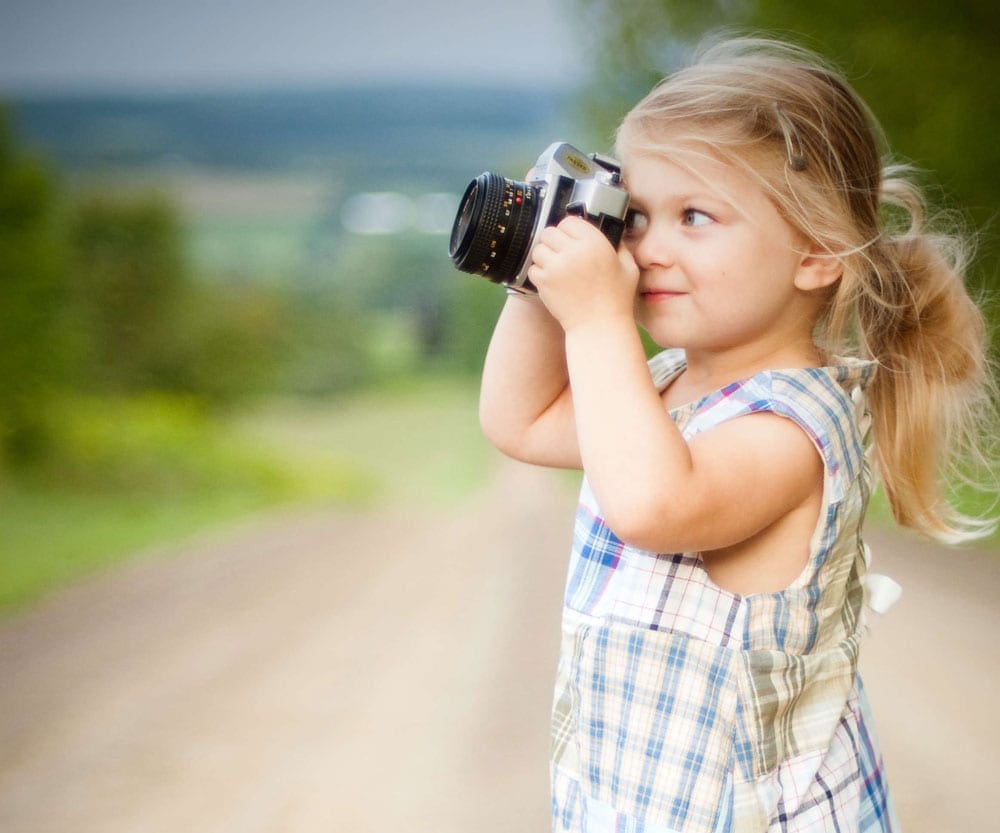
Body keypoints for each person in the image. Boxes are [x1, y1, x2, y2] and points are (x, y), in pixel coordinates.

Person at [477, 36, 996, 833]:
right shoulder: (662, 384)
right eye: (639, 215)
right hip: (631, 800)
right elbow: (521, 419)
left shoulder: (793, 427)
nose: (647, 248)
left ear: (816, 253)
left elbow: (654, 502)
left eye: (695, 216)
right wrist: (539, 279)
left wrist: (596, 315)